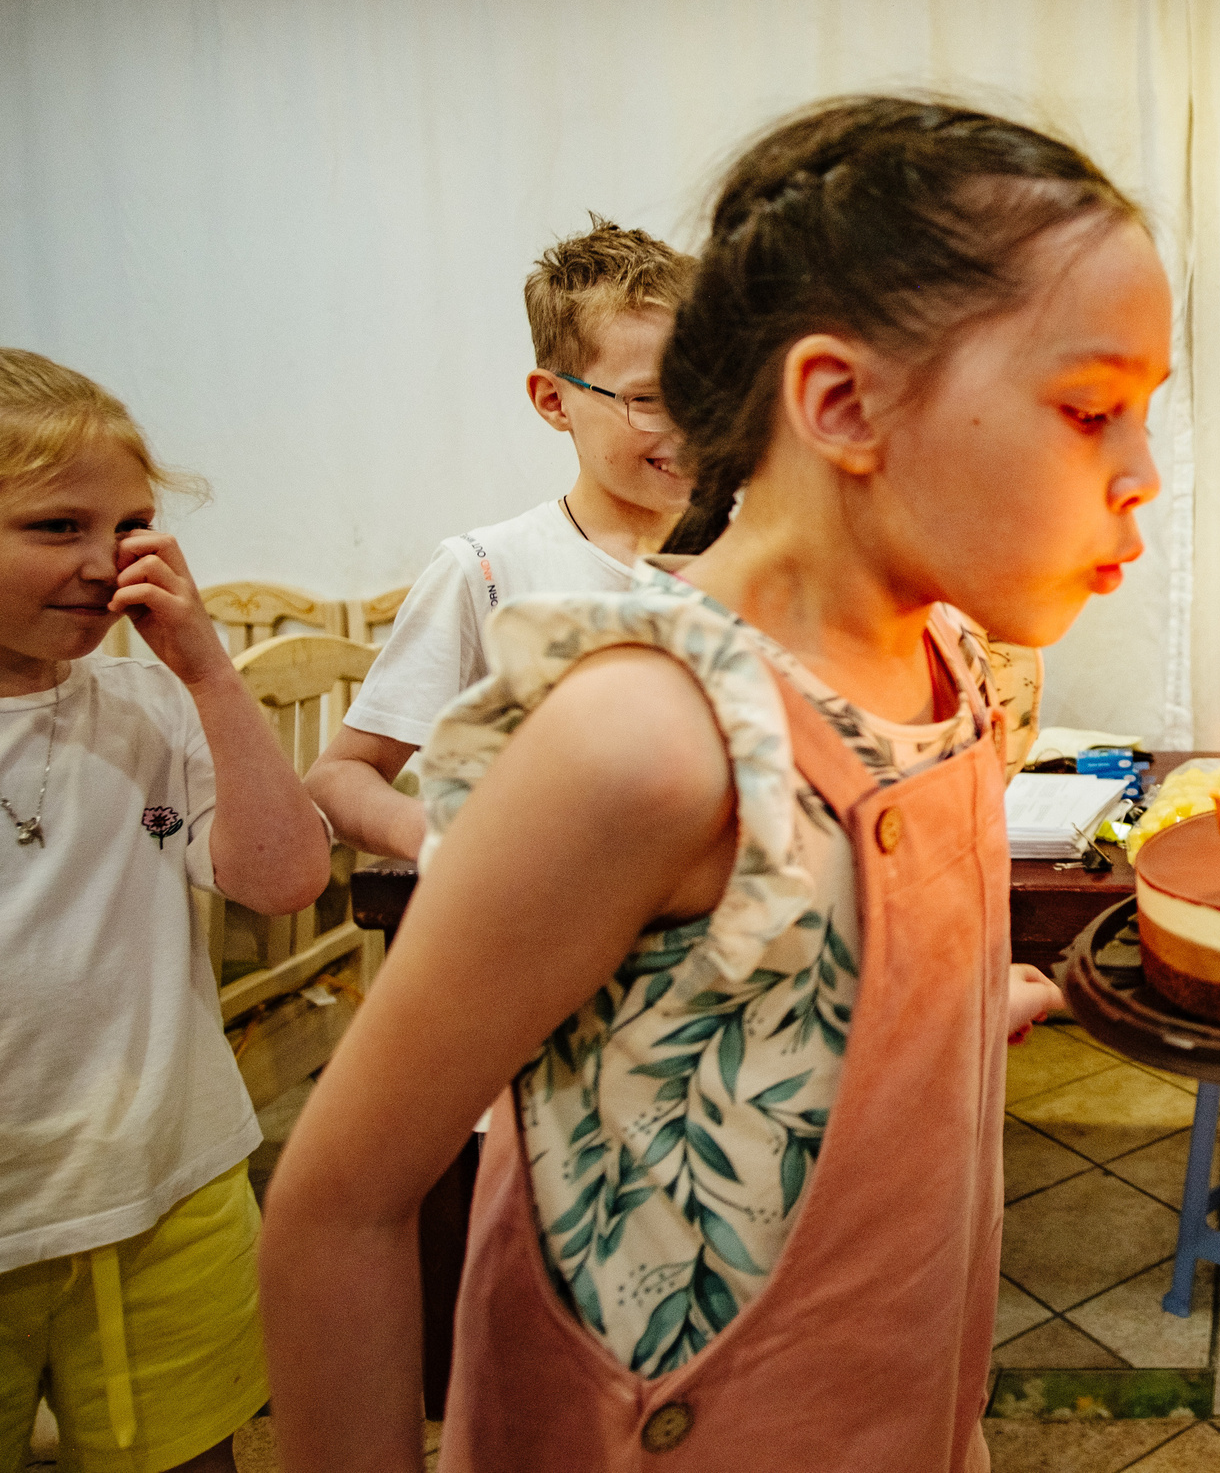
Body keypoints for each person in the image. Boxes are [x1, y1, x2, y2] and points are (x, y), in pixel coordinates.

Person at [260, 97, 1169, 1471]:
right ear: (842, 403)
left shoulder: (944, 671)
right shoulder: (647, 734)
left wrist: (959, 1003)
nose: (1144, 475)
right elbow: (337, 1205)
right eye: (1092, 408)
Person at [0, 351, 334, 1473]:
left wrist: (209, 674)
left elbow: (285, 880)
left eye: (131, 525)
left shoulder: (149, 703)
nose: (106, 564)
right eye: (55, 528)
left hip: (166, 1192)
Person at [305, 216, 697, 862]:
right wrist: (448, 845)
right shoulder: (486, 571)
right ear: (553, 400)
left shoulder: (754, 559)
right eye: (649, 399)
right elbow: (342, 777)